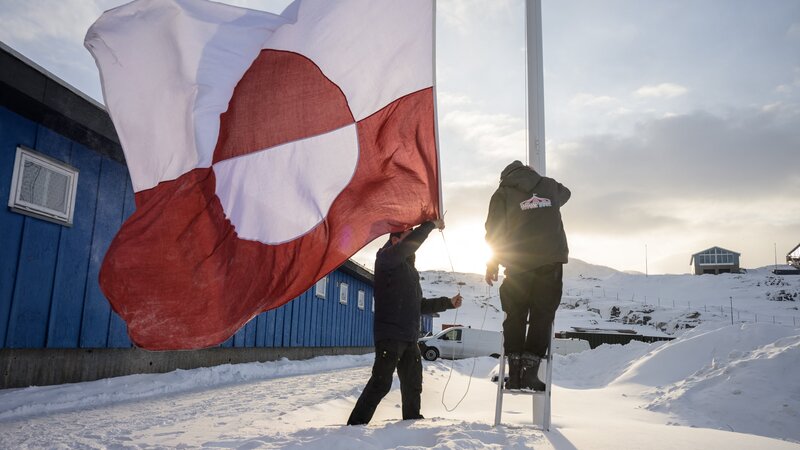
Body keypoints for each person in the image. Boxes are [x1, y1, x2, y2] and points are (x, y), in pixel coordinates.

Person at [347, 219, 463, 425]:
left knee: (413, 383)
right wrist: (428, 225)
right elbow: (410, 245)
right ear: (395, 240)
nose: (411, 239)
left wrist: (449, 303)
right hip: (390, 336)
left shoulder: (409, 271)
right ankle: (354, 427)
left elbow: (419, 305)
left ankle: (411, 423)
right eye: (408, 234)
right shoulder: (386, 260)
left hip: (410, 337)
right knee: (380, 384)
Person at [484, 160, 570, 391]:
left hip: (517, 264)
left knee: (515, 315)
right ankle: (530, 373)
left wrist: (492, 263)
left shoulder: (502, 193)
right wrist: (539, 185)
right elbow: (566, 194)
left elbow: (494, 232)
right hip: (550, 262)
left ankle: (514, 373)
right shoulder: (549, 185)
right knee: (542, 315)